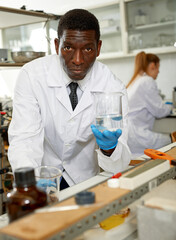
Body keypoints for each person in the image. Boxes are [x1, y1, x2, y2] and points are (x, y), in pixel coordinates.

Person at [8, 9, 131, 190]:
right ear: (57, 46)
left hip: (86, 179)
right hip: (43, 174)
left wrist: (109, 148)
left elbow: (119, 162)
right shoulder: (32, 75)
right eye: (68, 48)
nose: (78, 60)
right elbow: (25, 139)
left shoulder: (112, 87)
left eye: (88, 49)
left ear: (98, 48)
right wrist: (29, 183)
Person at [127, 51, 174, 158]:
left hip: (130, 134)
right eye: (158, 68)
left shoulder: (136, 80)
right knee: (172, 140)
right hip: (137, 135)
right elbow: (160, 111)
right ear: (153, 65)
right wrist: (170, 107)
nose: (158, 72)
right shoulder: (147, 81)